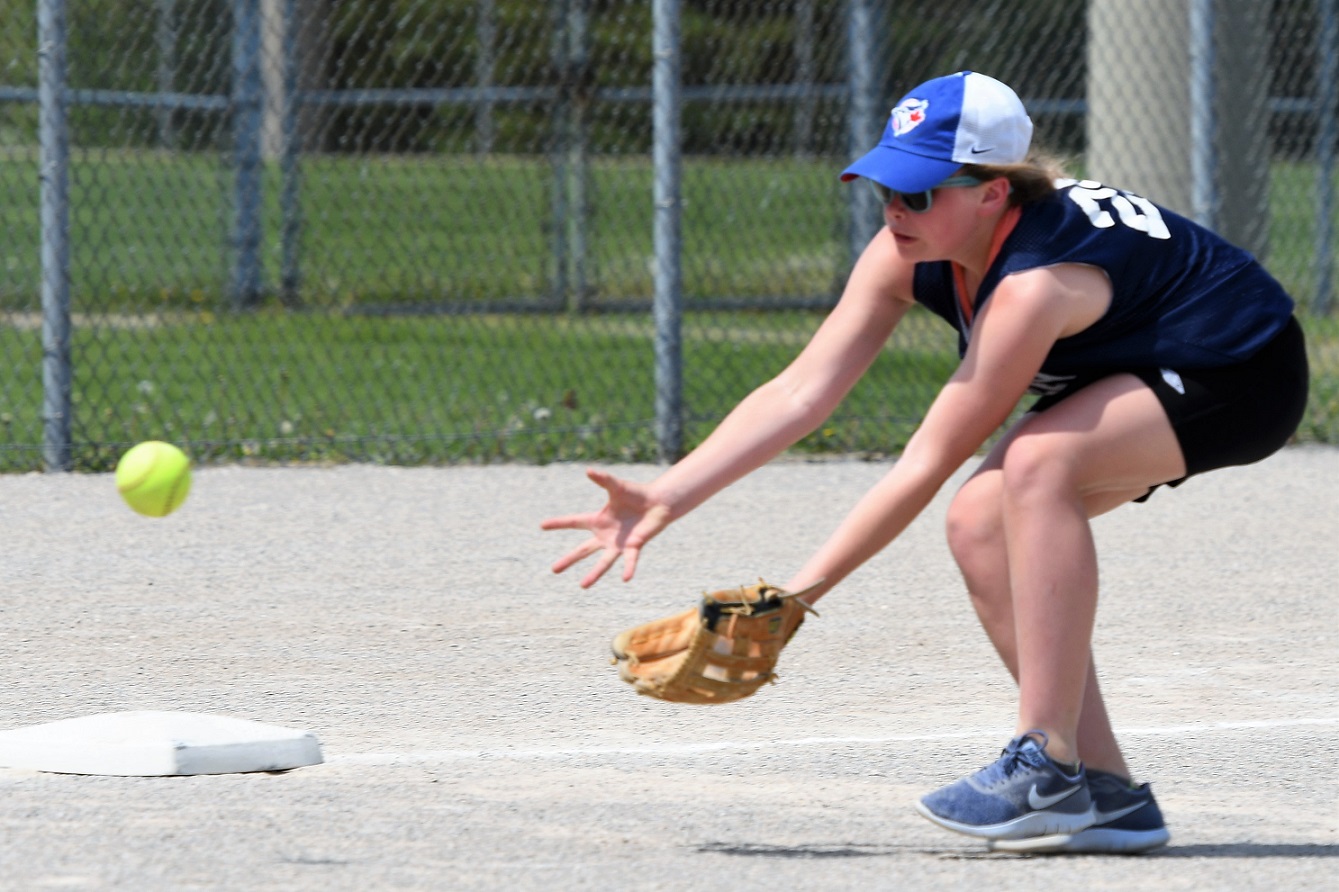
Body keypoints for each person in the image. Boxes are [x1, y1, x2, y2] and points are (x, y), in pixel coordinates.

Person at [541, 71, 1309, 853]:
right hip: (1139, 362)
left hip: (1237, 371)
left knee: (1038, 465)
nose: (895, 210)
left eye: (919, 192)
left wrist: (794, 597)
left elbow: (923, 460)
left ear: (992, 193)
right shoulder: (906, 250)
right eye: (887, 187)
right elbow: (801, 390)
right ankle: (1105, 793)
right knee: (978, 520)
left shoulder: (1036, 282)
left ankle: (1045, 759)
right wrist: (670, 493)